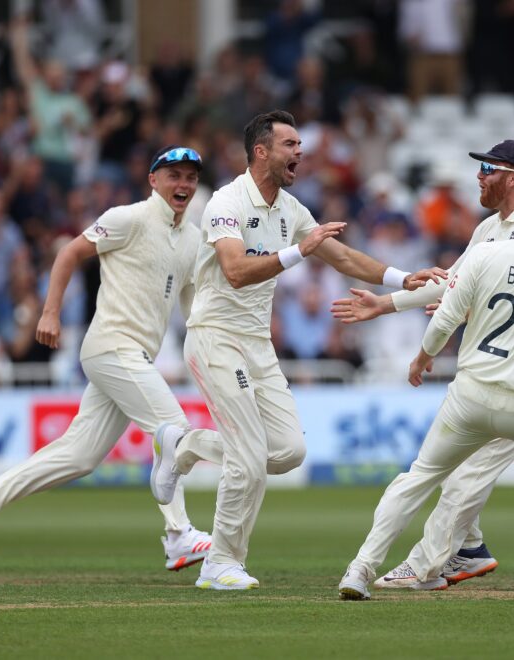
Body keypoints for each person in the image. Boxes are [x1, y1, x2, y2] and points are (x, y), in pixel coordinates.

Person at [150, 110, 446, 591]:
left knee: (288, 451)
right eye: (290, 145)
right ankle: (220, 563)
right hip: (215, 336)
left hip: (257, 346)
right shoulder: (226, 201)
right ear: (261, 151)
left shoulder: (290, 209)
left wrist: (401, 278)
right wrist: (299, 252)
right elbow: (235, 271)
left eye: (299, 145)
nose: (300, 153)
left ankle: (184, 446)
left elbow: (344, 256)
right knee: (248, 459)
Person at [333, 140, 514, 591]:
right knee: (461, 467)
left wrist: (453, 328)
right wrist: (385, 304)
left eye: (488, 169)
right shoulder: (486, 231)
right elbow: (452, 285)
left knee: (467, 470)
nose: (479, 176)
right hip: (508, 362)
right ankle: (471, 548)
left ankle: (427, 564)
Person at [0, 145, 225, 572]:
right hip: (111, 345)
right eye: (174, 175)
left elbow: (190, 304)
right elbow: (69, 254)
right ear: (154, 180)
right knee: (172, 429)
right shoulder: (128, 218)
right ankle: (178, 535)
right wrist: (50, 311)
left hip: (135, 356)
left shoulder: (191, 239)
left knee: (79, 456)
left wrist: (212, 346)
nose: (184, 184)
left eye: (190, 177)